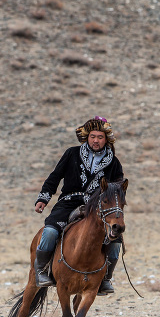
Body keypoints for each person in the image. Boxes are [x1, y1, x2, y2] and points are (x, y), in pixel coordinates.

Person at [34, 116, 124, 295]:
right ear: (86, 137)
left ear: (106, 139)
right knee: (50, 231)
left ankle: (105, 278)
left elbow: (118, 190)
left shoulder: (114, 162)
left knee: (115, 241)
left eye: (100, 137)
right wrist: (43, 198)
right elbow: (55, 176)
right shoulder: (72, 153)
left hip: (97, 207)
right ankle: (42, 271)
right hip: (68, 202)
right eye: (92, 136)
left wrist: (115, 210)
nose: (96, 140)